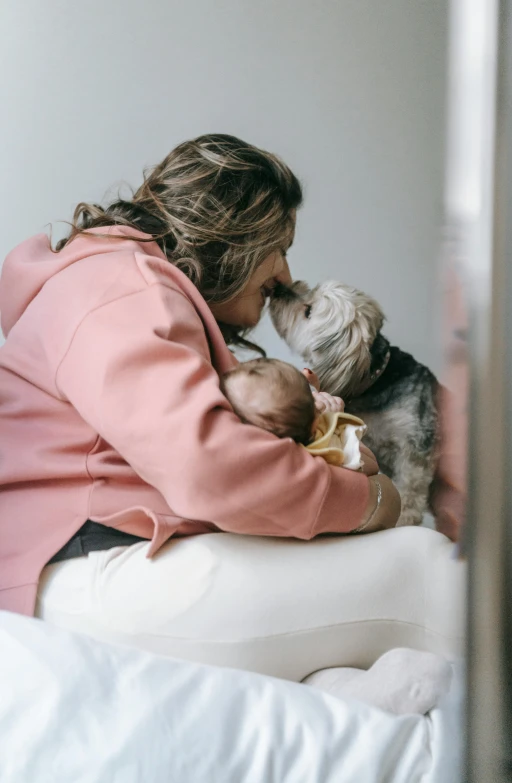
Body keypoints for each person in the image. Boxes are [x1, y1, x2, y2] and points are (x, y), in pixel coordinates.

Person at [0, 134, 464, 679]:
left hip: (91, 566)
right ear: (235, 234)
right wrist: (372, 500)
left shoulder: (117, 280)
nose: (287, 277)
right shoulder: (125, 286)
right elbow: (211, 467)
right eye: (281, 246)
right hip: (91, 570)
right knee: (424, 569)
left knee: (345, 665)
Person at [222, 357, 374, 472]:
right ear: (316, 422)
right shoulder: (327, 446)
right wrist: (333, 424)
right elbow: (371, 466)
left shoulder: (275, 460)